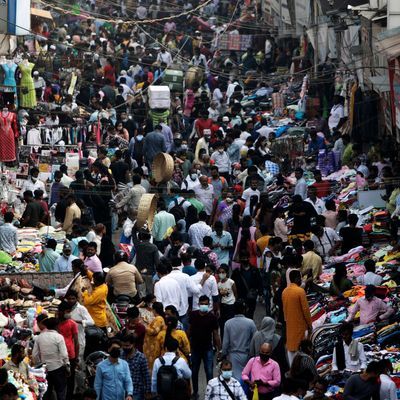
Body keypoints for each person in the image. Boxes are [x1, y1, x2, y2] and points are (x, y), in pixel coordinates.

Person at [188, 295, 221, 398]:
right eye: (202, 304)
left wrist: (220, 350)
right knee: (194, 371)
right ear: (198, 304)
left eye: (206, 304)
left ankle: (210, 392)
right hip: (195, 348)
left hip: (208, 348)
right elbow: (189, 331)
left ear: (208, 305)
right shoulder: (193, 315)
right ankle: (195, 392)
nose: (204, 306)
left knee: (209, 372)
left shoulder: (212, 318)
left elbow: (216, 334)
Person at [32, 317, 69, 400]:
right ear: (57, 326)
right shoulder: (59, 337)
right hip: (58, 368)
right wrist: (67, 366)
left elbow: (34, 355)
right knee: (60, 391)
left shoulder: (39, 337)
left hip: (45, 370)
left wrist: (40, 365)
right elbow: (64, 355)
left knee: (46, 392)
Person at [282, 270, 313, 366]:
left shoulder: (285, 291)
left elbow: (284, 310)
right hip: (299, 326)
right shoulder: (300, 291)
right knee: (300, 350)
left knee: (291, 348)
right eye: (300, 278)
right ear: (296, 278)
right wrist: (310, 325)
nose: (301, 280)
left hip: (289, 326)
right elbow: (305, 310)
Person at [221, 300, 257, 379]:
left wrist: (223, 354)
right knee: (245, 377)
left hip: (232, 355)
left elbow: (225, 342)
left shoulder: (228, 323)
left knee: (234, 379)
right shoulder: (250, 323)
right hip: (246, 355)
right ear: (244, 310)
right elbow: (255, 340)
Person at [57, 301, 79, 399]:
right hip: (58, 356)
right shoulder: (55, 323)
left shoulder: (72, 324)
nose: (68, 313)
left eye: (69, 311)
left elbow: (76, 342)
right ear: (61, 311)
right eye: (67, 311)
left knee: (70, 380)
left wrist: (77, 357)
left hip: (71, 355)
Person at [65, 289, 94, 361]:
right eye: (69, 299)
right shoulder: (66, 308)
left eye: (73, 299)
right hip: (68, 339)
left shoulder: (81, 309)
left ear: (76, 299)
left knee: (78, 359)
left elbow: (91, 322)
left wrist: (76, 321)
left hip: (79, 338)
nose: (71, 300)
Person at [231, 253, 262, 319]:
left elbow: (259, 282)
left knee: (250, 314)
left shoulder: (254, 270)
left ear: (249, 258)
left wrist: (260, 294)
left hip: (252, 297)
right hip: (240, 296)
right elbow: (232, 283)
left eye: (246, 258)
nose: (245, 259)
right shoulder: (236, 272)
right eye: (243, 258)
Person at [121, 335, 152, 400]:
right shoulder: (120, 356)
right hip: (122, 391)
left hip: (136, 391)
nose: (125, 348)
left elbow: (146, 375)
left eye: (127, 346)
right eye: (123, 346)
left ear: (133, 344)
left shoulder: (141, 357)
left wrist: (148, 391)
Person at [143, 302, 167, 370]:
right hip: (151, 346)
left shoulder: (159, 318)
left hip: (154, 347)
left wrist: (145, 327)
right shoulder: (158, 318)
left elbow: (154, 331)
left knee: (152, 367)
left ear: (154, 310)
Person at [217, 264, 237, 340]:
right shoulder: (218, 284)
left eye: (223, 272)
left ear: (226, 273)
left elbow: (235, 294)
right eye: (220, 272)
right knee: (222, 325)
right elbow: (219, 297)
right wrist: (218, 309)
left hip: (231, 305)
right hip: (223, 306)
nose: (221, 274)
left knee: (231, 325)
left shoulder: (231, 282)